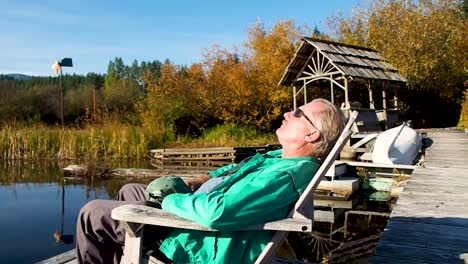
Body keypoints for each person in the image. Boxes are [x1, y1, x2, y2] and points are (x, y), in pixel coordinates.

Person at [76, 98, 345, 264]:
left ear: (311, 134)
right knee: (130, 189)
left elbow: (218, 212)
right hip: (192, 218)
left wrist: (171, 200)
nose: (288, 113)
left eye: (298, 112)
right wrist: (202, 180)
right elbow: (236, 169)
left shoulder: (285, 176)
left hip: (194, 240)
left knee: (92, 215)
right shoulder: (280, 159)